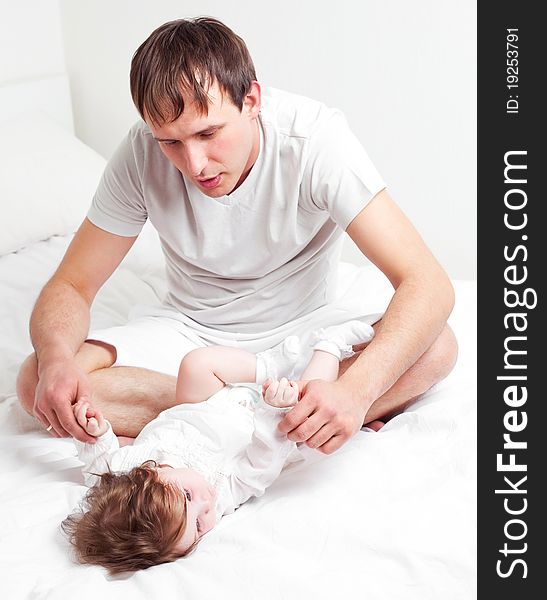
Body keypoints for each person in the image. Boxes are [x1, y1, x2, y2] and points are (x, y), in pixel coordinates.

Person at [16, 16, 458, 454]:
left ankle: (214, 416)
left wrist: (357, 391)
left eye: (208, 133)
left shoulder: (315, 140)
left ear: (251, 100)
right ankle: (276, 419)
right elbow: (74, 284)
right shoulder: (140, 152)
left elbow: (427, 282)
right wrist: (58, 361)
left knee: (437, 348)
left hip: (304, 329)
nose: (195, 165)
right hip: (192, 333)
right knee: (40, 378)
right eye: (170, 142)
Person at [62, 320, 381, 573]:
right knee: (305, 412)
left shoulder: (124, 470)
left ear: (151, 475)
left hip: (209, 404)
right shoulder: (220, 493)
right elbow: (258, 468)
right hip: (262, 422)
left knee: (197, 364)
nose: (205, 504)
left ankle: (269, 365)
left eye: (188, 498)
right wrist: (272, 416)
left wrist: (95, 431)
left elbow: (96, 465)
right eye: (199, 526)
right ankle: (330, 346)